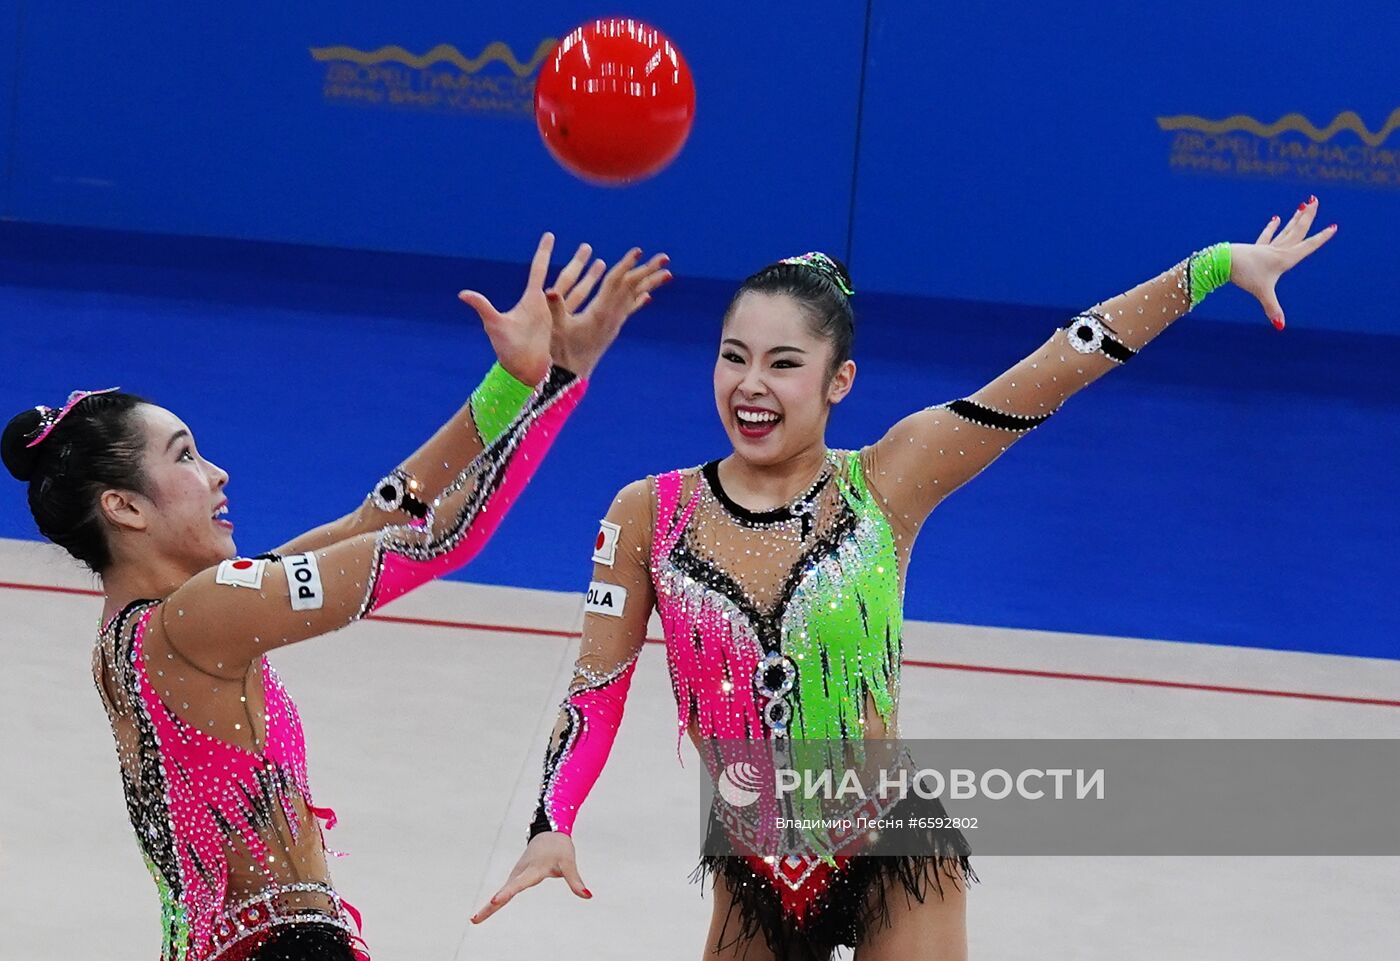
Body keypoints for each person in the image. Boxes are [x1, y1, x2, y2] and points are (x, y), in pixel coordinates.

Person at [472, 202, 1337, 960]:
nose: (750, 384)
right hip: (750, 860)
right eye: (734, 356)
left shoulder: (888, 480)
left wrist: (1218, 266)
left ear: (838, 379)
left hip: (891, 850)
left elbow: (1059, 366)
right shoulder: (647, 514)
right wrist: (553, 822)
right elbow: (597, 687)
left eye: (783, 362)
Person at [1, 234, 670, 961]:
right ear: (124, 508)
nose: (218, 472)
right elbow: (437, 540)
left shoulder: (145, 632)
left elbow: (376, 518)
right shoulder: (198, 618)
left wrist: (513, 382)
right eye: (186, 456)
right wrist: (562, 377)